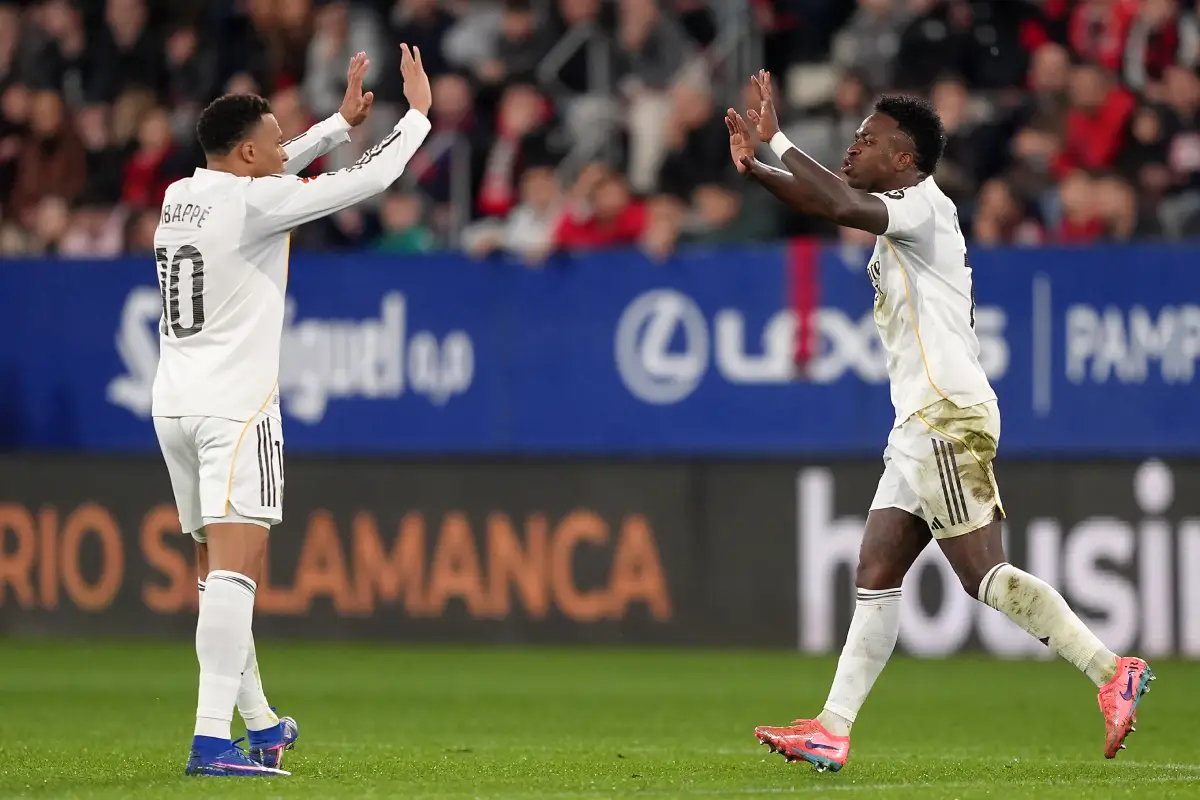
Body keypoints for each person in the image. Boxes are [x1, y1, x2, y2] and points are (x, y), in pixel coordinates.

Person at [726, 72, 1154, 774]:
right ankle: (832, 728)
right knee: (877, 566)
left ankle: (1112, 671)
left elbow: (832, 201)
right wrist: (759, 170)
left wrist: (775, 140)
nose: (854, 146)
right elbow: (821, 197)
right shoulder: (897, 208)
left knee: (982, 575)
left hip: (944, 417)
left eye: (869, 140)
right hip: (918, 423)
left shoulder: (921, 205)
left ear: (904, 160)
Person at [151, 45, 432, 778]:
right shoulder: (256, 199)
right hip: (235, 408)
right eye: (276, 140)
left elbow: (267, 171)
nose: (286, 150)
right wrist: (420, 117)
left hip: (174, 404)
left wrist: (336, 123)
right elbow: (375, 178)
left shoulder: (183, 192)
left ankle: (261, 723)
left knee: (217, 579)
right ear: (248, 151)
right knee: (238, 576)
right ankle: (213, 742)